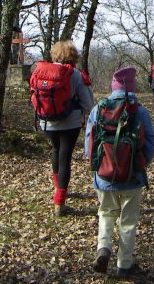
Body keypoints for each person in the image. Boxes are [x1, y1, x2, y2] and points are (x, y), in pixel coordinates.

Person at [84, 67, 154, 278]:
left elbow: (89, 144)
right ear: (132, 86)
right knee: (128, 221)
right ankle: (124, 265)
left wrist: (97, 168)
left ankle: (104, 248)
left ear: (113, 85)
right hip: (133, 177)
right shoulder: (140, 111)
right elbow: (151, 145)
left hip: (104, 177)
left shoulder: (99, 108)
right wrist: (140, 165)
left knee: (106, 213)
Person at [41, 40, 94, 217]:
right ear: (73, 56)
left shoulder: (44, 72)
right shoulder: (75, 74)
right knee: (65, 158)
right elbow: (88, 104)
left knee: (56, 151)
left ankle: (58, 188)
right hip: (70, 123)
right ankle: (59, 203)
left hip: (47, 122)